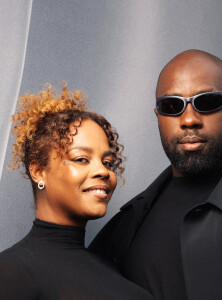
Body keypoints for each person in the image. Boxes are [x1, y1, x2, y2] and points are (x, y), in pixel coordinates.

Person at [89, 49, 222, 300]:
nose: (189, 119)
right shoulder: (128, 225)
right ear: (159, 117)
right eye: (171, 106)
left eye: (207, 102)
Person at [0, 84, 153, 300]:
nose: (103, 171)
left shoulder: (113, 267)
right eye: (81, 159)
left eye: (108, 162)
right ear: (38, 171)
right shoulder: (11, 273)